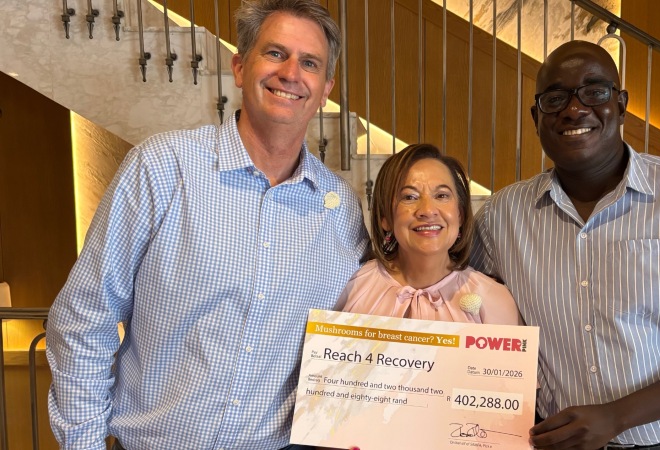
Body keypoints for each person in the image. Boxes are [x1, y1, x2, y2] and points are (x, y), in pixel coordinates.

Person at [46, 1, 369, 449]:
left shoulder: (341, 209)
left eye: (310, 63)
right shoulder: (162, 168)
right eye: (275, 53)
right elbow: (84, 319)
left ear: (325, 89)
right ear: (240, 67)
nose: (291, 73)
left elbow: (369, 326)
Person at [470, 40, 660, 450]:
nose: (574, 109)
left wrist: (616, 416)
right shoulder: (501, 216)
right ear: (536, 117)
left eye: (594, 92)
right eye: (555, 98)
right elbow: (464, 313)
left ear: (621, 105)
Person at [336, 143, 519, 326]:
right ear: (385, 218)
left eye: (441, 196)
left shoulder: (494, 298)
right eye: (409, 197)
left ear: (460, 214)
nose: (428, 210)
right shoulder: (349, 288)